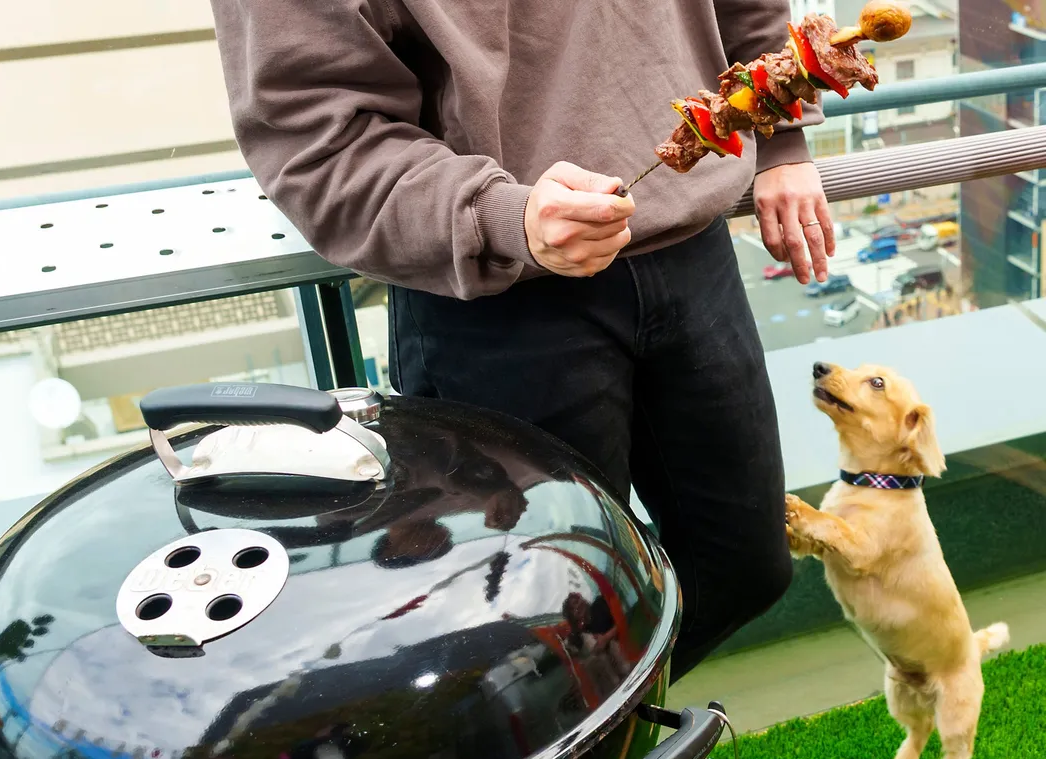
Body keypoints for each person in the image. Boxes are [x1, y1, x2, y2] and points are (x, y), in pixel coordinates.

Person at [209, 0, 834, 683]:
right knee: (544, 625)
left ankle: (601, 725)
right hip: (497, 299)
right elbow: (318, 134)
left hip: (693, 252)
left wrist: (781, 133)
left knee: (744, 567)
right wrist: (503, 217)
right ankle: (577, 732)